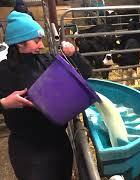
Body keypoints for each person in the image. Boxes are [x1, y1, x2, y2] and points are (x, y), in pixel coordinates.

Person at [0, 11, 92, 180]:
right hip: (28, 149)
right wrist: (4, 103)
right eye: (36, 40)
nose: (42, 45)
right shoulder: (3, 71)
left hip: (58, 141)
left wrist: (74, 55)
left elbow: (85, 74)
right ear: (20, 44)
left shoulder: (47, 60)